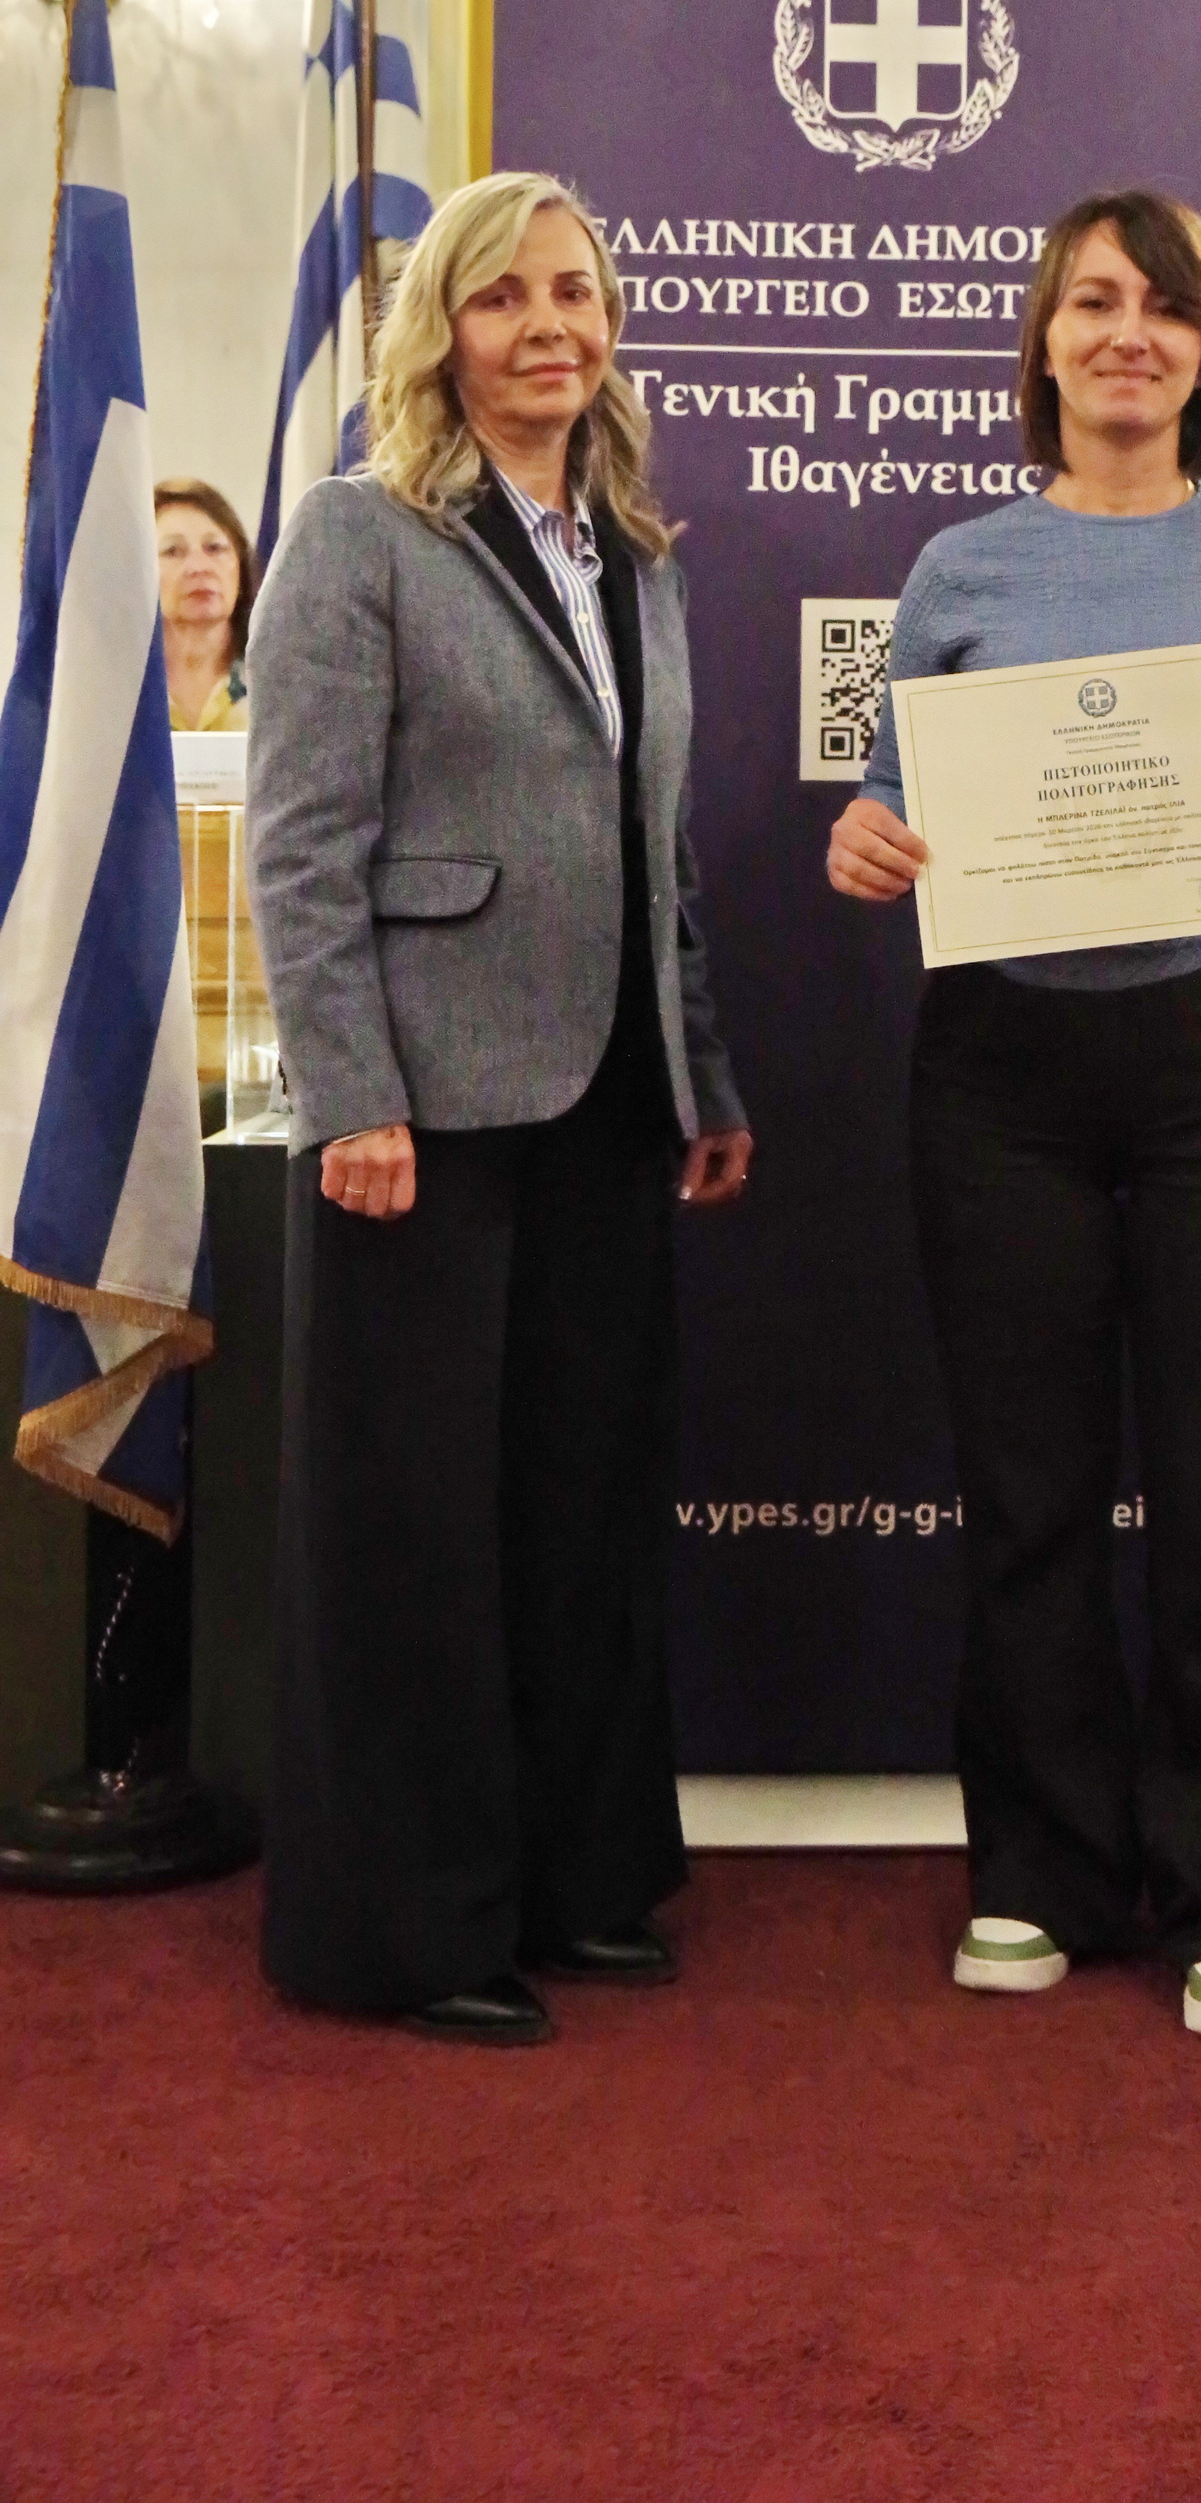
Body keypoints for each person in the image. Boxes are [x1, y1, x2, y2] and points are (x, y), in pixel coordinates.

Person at [828, 191, 1201, 2041]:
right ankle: (1042, 1870)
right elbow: (889, 796)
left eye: (1164, 307)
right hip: (1001, 1066)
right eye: (1092, 301)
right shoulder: (955, 568)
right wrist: (862, 839)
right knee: (1030, 1492)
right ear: (1045, 344)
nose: (1127, 333)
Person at [246, 171, 752, 2047]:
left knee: (577, 1502)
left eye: (577, 290)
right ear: (440, 331)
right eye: (504, 296)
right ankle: (410, 1926)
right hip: (424, 1112)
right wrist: (350, 1095)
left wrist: (700, 1071)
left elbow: (655, 848)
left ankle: (573, 1879)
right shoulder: (358, 534)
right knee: (416, 1528)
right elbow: (303, 846)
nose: (550, 325)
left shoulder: (639, 554)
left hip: (610, 1097)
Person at [156, 477, 253, 729]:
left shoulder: (278, 681)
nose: (199, 567)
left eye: (215, 548)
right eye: (172, 551)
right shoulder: (121, 690)